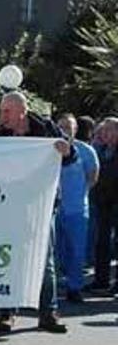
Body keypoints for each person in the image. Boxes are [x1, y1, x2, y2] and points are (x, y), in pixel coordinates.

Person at [0, 92, 72, 333]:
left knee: (45, 260)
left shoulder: (47, 128)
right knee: (8, 257)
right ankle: (6, 313)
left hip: (42, 203)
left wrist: (65, 150)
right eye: (1, 110)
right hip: (10, 205)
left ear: (21, 111)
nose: (2, 116)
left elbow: (71, 155)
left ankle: (48, 313)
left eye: (7, 111)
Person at [55, 114, 99, 303]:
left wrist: (82, 193)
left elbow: (93, 176)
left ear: (75, 129)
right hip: (53, 209)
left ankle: (75, 287)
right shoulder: (48, 148)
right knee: (55, 250)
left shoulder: (86, 150)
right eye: (62, 126)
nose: (66, 129)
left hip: (77, 209)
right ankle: (53, 288)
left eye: (69, 126)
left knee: (77, 250)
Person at [91, 117, 118, 293]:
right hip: (103, 202)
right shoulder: (100, 150)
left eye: (109, 130)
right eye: (103, 130)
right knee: (101, 242)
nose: (104, 134)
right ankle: (101, 280)